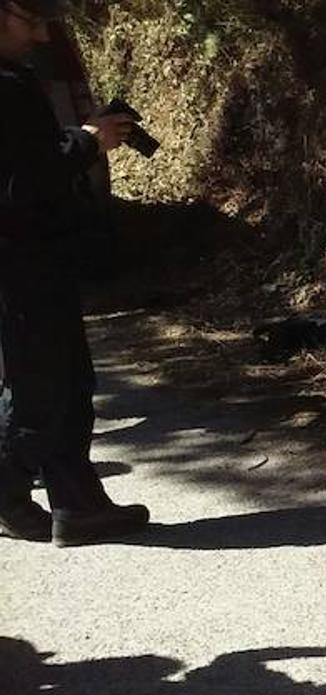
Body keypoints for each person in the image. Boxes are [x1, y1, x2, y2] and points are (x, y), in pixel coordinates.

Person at [0, 0, 146, 545]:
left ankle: (78, 503)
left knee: (67, 379)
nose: (40, 35)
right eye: (29, 21)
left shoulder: (15, 75)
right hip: (17, 260)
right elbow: (21, 184)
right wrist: (85, 140)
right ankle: (8, 490)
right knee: (38, 382)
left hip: (39, 252)